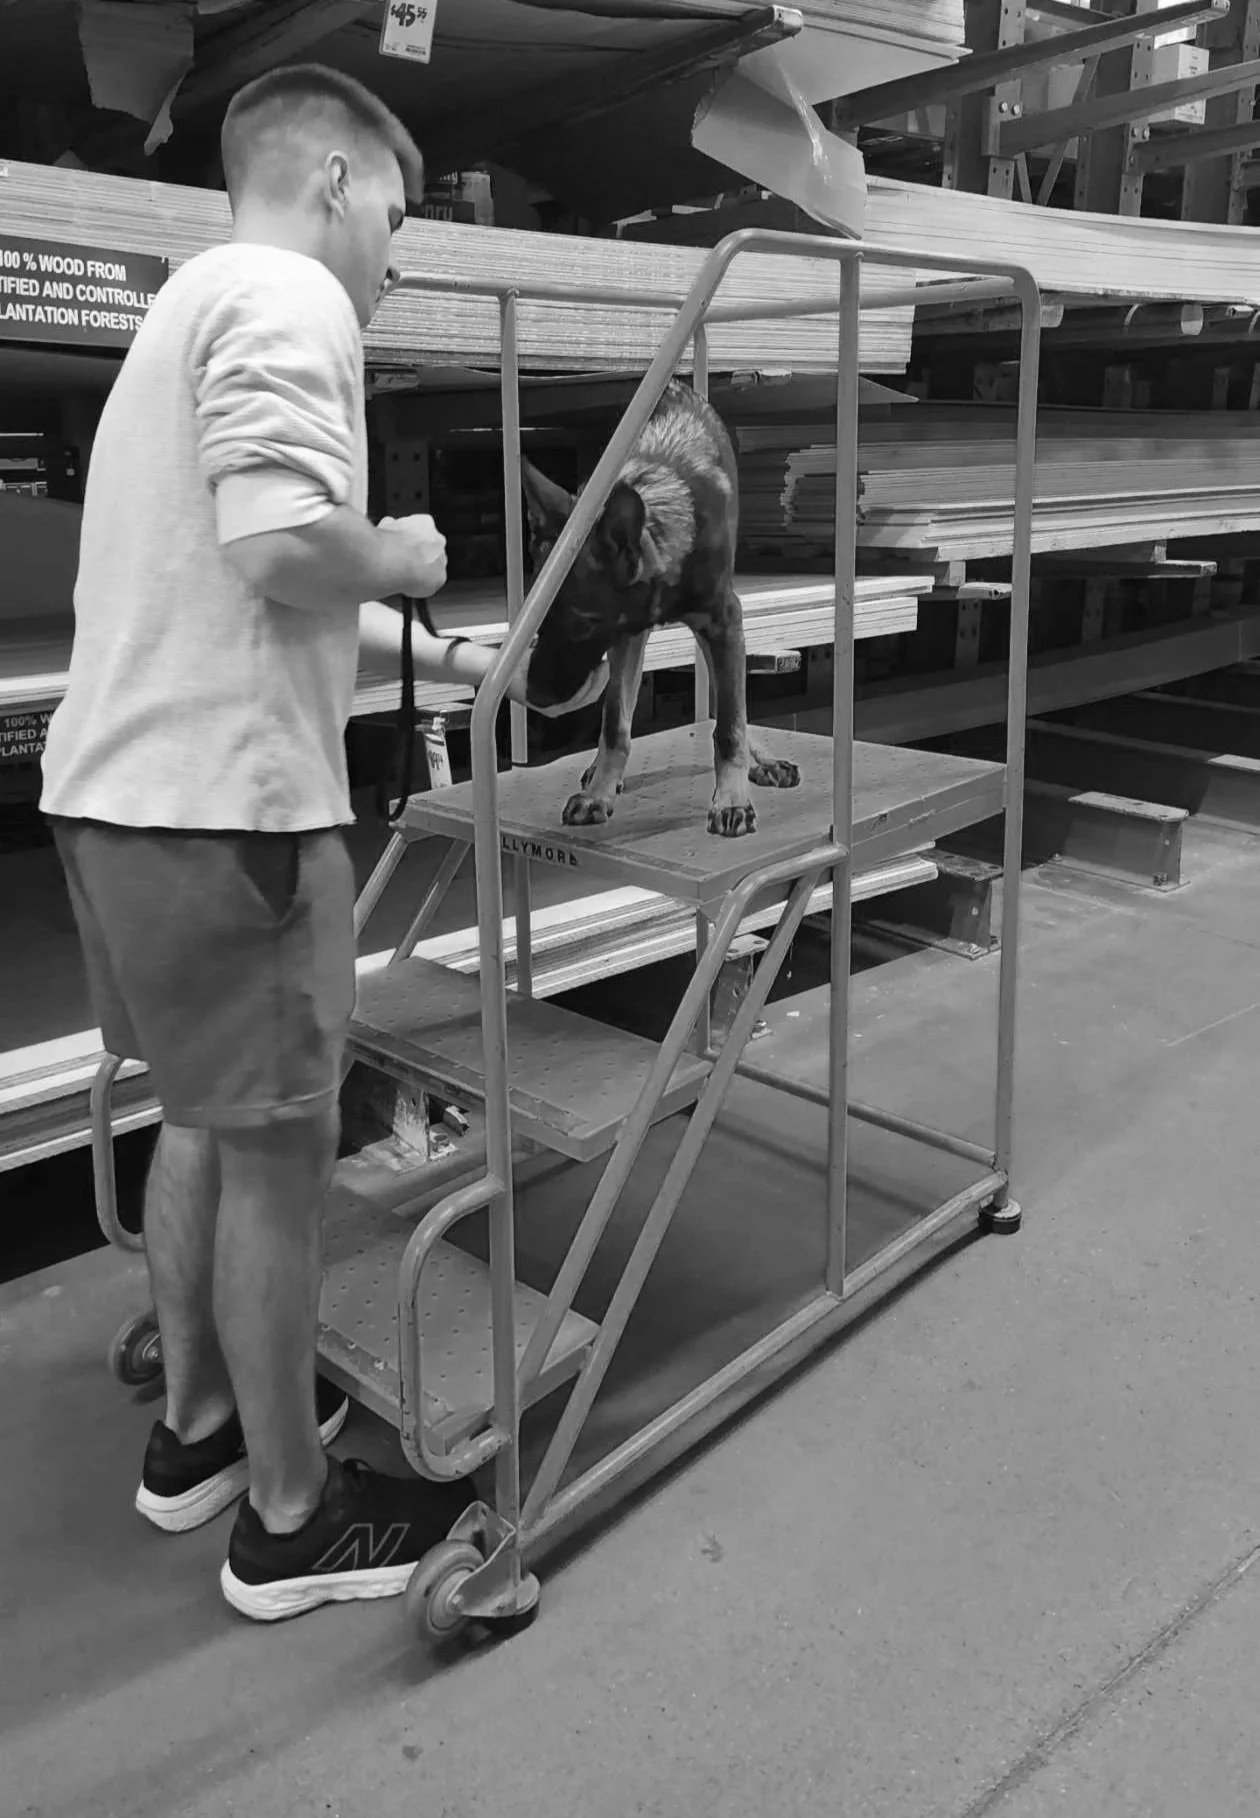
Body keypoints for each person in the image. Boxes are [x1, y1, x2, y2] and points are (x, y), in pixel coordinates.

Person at [40, 63, 604, 1623]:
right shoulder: (293, 298)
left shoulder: (185, 306)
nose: (392, 259)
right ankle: (291, 1524)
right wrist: (406, 555)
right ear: (339, 182)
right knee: (285, 1155)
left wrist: (393, 632)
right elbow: (282, 543)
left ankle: (199, 1437)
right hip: (224, 816)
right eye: (400, 220)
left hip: (123, 794)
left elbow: (229, 585)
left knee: (207, 1122)